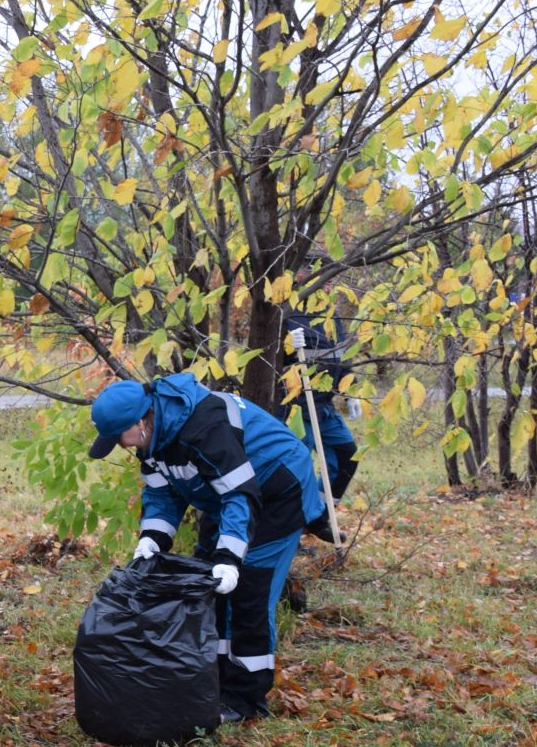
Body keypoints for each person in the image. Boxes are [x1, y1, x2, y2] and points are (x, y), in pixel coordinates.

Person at [87, 372, 327, 724]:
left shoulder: (204, 427)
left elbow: (239, 494)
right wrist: (151, 540)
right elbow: (161, 493)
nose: (122, 446)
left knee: (249, 590)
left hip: (277, 488)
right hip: (226, 495)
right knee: (208, 589)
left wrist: (229, 558)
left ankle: (245, 698)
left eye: (120, 438)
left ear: (140, 421)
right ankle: (214, 681)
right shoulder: (152, 439)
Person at [282, 310, 359, 502]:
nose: (328, 284)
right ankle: (289, 525)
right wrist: (285, 345)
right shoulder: (286, 309)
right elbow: (266, 359)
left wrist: (351, 390)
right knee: (294, 469)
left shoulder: (330, 312)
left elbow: (340, 356)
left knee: (346, 457)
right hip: (296, 409)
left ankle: (319, 518)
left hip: (324, 407)